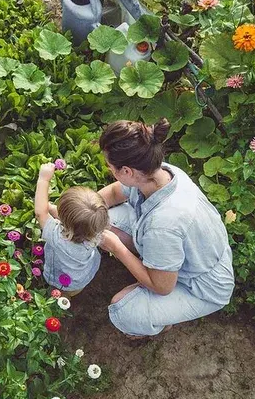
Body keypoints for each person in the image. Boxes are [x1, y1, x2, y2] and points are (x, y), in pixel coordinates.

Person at [96, 118, 234, 338]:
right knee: (102, 220)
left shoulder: (164, 224)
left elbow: (162, 287)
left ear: (127, 172)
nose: (109, 170)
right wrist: (85, 208)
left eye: (110, 167)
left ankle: (161, 322)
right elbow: (113, 193)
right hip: (189, 251)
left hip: (202, 286)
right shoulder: (159, 173)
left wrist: (117, 248)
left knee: (124, 310)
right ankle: (154, 268)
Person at [35, 163, 110, 296]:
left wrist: (43, 179)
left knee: (60, 293)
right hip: (83, 276)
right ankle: (71, 295)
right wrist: (51, 209)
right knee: (74, 290)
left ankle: (62, 299)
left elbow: (40, 213)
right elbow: (76, 223)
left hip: (62, 279)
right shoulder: (96, 230)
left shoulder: (57, 238)